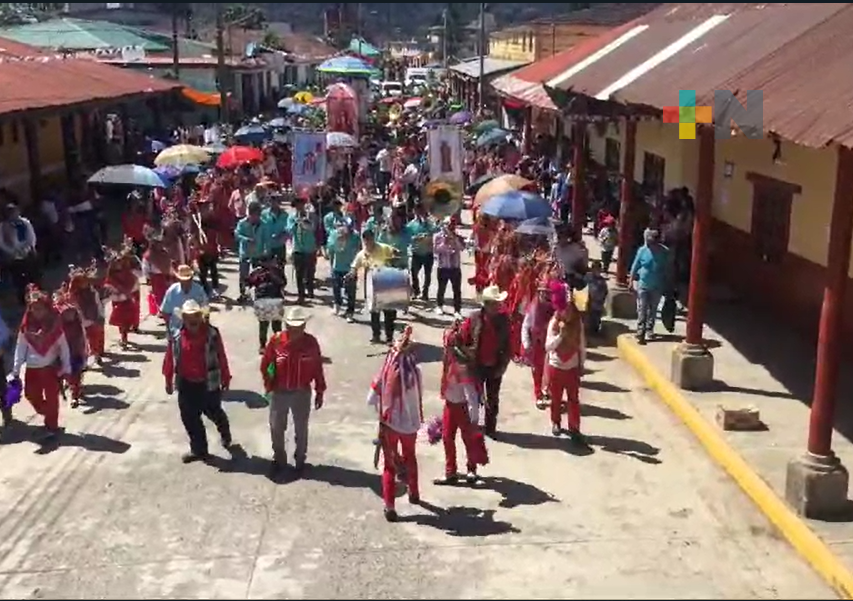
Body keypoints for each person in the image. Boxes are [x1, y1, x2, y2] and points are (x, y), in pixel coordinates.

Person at [162, 299, 233, 464]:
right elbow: (169, 358)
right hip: (186, 382)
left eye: (196, 315)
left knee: (213, 411)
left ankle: (224, 431)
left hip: (208, 381)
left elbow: (221, 356)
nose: (192, 320)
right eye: (188, 316)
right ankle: (199, 449)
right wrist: (167, 379)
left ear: (201, 316)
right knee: (189, 417)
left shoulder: (212, 334)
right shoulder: (177, 335)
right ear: (184, 319)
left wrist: (226, 376)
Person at [260, 306, 326, 478]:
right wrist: (269, 384)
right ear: (286, 326)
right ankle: (279, 459)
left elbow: (318, 367)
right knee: (276, 427)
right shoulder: (275, 341)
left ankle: (300, 460)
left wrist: (320, 390)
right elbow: (266, 365)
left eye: (299, 328)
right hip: (279, 392)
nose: (295, 331)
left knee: (301, 428)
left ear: (304, 327)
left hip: (301, 391)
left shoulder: (311, 343)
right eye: (291, 327)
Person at [367, 325, 423, 522]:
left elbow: (370, 399)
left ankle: (390, 506)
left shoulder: (383, 375)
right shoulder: (416, 374)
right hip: (410, 427)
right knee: (411, 458)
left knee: (389, 467)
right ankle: (414, 493)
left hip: (390, 425)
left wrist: (381, 413)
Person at [10, 285, 71, 439]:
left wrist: (66, 367)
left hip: (50, 368)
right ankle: (47, 413)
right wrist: (16, 370)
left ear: (47, 309)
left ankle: (52, 426)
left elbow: (63, 347)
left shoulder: (55, 325)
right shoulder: (26, 327)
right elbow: (20, 348)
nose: (37, 312)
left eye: (40, 309)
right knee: (31, 395)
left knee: (52, 397)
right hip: (32, 369)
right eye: (34, 309)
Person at [452, 285, 512, 437]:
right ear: (486, 304)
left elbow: (508, 345)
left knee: (493, 399)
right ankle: (472, 425)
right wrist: (464, 355)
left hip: (495, 366)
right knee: (473, 399)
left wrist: (503, 364)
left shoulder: (504, 321)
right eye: (494, 303)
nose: (497, 306)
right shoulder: (474, 318)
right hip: (475, 365)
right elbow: (461, 340)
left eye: (498, 303)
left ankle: (490, 428)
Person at [434, 320, 489, 486]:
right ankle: (450, 472)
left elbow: (470, 393)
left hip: (464, 407)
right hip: (450, 406)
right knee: (447, 438)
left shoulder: (463, 365)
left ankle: (471, 470)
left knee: (468, 439)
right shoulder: (449, 361)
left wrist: (474, 418)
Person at [544, 287, 586, 441]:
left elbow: (581, 343)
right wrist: (560, 337)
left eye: (569, 309)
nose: (567, 313)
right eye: (564, 310)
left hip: (572, 367)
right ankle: (556, 422)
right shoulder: (554, 323)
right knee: (556, 398)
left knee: (573, 400)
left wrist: (582, 363)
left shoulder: (577, 323)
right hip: (556, 366)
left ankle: (574, 428)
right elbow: (548, 347)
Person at [349, 229, 400, 344]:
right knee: (374, 312)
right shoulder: (362, 254)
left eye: (370, 240)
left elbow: (396, 253)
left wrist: (396, 257)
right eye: (366, 241)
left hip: (386, 283)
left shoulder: (383, 248)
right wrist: (352, 273)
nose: (368, 243)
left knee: (389, 313)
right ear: (363, 240)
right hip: (371, 286)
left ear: (374, 238)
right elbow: (354, 266)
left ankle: (389, 338)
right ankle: (376, 335)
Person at [629, 228, 671, 345]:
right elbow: (635, 266)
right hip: (643, 284)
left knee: (653, 309)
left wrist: (670, 284)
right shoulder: (642, 250)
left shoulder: (665, 252)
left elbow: (669, 269)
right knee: (642, 308)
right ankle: (640, 330)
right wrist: (631, 281)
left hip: (658, 285)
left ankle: (649, 328)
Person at [521, 282, 556, 410]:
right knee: (537, 371)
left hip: (551, 344)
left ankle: (548, 390)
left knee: (551, 370)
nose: (545, 295)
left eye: (547, 292)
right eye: (543, 292)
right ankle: (538, 395)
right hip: (537, 344)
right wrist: (526, 343)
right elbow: (526, 326)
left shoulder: (554, 308)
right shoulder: (533, 307)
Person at [53, 285, 87, 408]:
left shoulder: (72, 312)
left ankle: (75, 395)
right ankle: (75, 390)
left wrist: (82, 348)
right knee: (66, 374)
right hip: (60, 351)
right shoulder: (53, 313)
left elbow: (81, 333)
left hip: (74, 349)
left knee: (75, 373)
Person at [0, 202, 38, 304]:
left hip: (27, 251)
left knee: (32, 276)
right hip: (14, 255)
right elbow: (2, 243)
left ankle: (36, 296)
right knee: (19, 280)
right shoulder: (3, 227)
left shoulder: (24, 222)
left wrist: (31, 246)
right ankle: (23, 299)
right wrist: (12, 251)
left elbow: (31, 235)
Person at [247, 255, 286, 352]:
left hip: (276, 299)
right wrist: (257, 277)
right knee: (264, 325)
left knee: (276, 325)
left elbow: (283, 283)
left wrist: (272, 275)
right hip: (262, 300)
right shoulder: (257, 272)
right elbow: (248, 283)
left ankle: (278, 345)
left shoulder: (277, 271)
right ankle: (263, 346)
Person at [160, 264, 209, 338]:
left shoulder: (199, 291)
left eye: (188, 279)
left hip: (195, 329)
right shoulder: (172, 291)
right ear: (179, 279)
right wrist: (169, 329)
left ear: (192, 278)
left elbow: (205, 310)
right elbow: (165, 312)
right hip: (176, 330)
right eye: (183, 280)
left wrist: (205, 328)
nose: (186, 282)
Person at [235, 201, 270, 302]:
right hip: (245, 253)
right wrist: (246, 239)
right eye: (253, 215)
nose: (255, 217)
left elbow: (267, 239)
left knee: (258, 276)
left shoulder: (263, 225)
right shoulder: (242, 223)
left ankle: (258, 294)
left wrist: (266, 251)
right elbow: (237, 235)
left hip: (258, 254)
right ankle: (243, 294)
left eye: (257, 215)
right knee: (243, 275)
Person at [288, 197, 319, 304]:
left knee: (310, 272)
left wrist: (308, 220)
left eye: (301, 204)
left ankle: (310, 290)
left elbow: (314, 228)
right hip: (298, 248)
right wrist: (296, 223)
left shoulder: (311, 215)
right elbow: (289, 230)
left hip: (310, 248)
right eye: (297, 205)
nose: (299, 207)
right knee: (299, 273)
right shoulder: (291, 217)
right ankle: (301, 295)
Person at [326, 222, 359, 321]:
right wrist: (331, 265)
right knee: (336, 288)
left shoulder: (355, 237)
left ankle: (350, 312)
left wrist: (356, 267)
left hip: (350, 268)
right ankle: (337, 305)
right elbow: (331, 251)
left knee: (350, 291)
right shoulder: (334, 235)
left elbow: (358, 250)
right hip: (337, 267)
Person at [433, 216, 464, 318]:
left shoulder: (458, 236)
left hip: (455, 266)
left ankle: (457, 310)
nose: (451, 227)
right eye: (449, 224)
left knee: (457, 290)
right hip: (443, 266)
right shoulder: (437, 236)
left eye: (453, 225)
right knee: (441, 288)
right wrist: (444, 242)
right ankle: (439, 306)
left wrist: (455, 240)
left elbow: (462, 248)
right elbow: (436, 250)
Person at [406, 204, 436, 302]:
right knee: (414, 273)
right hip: (416, 252)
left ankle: (425, 293)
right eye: (417, 210)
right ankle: (416, 290)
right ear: (414, 211)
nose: (419, 213)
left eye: (421, 210)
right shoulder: (410, 225)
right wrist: (415, 238)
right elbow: (407, 238)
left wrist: (428, 232)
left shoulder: (429, 223)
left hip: (428, 252)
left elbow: (435, 230)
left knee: (427, 274)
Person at [585, 260, 608, 335]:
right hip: (591, 300)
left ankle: (595, 330)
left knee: (596, 316)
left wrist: (602, 299)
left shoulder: (602, 281)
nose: (596, 271)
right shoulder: (589, 277)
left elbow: (605, 291)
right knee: (590, 315)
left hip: (598, 302)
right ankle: (590, 329)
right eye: (595, 269)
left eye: (598, 269)